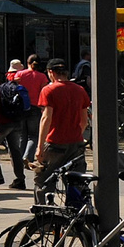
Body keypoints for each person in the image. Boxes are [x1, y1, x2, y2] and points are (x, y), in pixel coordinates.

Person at [34, 58, 91, 205]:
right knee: (77, 183)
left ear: (51, 72)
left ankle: (44, 221)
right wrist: (75, 133)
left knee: (44, 182)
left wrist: (40, 147)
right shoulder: (80, 90)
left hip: (55, 143)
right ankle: (76, 220)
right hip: (76, 143)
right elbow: (84, 120)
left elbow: (46, 119)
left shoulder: (49, 90)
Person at [0, 64, 27, 189]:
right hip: (16, 121)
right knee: (14, 150)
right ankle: (20, 179)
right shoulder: (4, 87)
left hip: (3, 123)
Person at [15, 54, 49, 163]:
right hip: (35, 107)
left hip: (21, 107)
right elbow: (44, 92)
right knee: (33, 135)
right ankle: (28, 157)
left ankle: (19, 158)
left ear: (28, 63)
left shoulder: (19, 74)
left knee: (22, 134)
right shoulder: (42, 77)